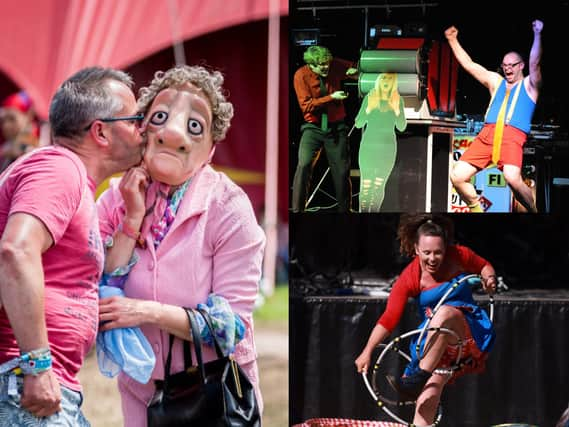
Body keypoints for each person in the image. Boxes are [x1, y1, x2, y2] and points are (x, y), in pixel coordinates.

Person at [95, 65, 265, 426]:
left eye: (193, 125)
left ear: (210, 148)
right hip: (143, 392)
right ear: (142, 128)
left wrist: (146, 312)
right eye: (160, 117)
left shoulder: (227, 207)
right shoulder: (115, 198)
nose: (172, 134)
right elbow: (96, 282)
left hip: (214, 397)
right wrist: (131, 221)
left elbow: (229, 328)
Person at [0, 67, 144, 426]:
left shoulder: (71, 179)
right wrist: (36, 363)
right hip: (23, 382)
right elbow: (16, 250)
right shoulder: (60, 169)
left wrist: (132, 220)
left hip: (33, 384)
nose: (144, 129)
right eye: (135, 119)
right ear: (101, 131)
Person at [355, 214, 496, 426]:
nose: (432, 259)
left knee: (446, 313)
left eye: (438, 252)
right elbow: (389, 318)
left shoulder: (459, 255)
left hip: (467, 333)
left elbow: (484, 266)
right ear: (416, 249)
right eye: (427, 252)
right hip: (438, 346)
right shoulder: (409, 278)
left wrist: (490, 279)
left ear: (446, 249)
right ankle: (419, 384)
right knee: (425, 400)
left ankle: (418, 376)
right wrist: (367, 351)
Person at [445, 20, 543, 213]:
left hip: (511, 136)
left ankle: (533, 210)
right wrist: (452, 40)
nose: (507, 69)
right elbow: (469, 65)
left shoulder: (530, 86)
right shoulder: (495, 81)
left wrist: (538, 35)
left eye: (512, 65)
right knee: (457, 176)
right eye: (505, 65)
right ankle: (476, 209)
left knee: (512, 178)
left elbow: (535, 62)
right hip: (486, 136)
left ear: (521, 65)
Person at [292, 45, 358, 212]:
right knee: (304, 164)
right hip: (313, 127)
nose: (326, 67)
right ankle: (298, 210)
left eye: (327, 63)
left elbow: (356, 68)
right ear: (311, 65)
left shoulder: (334, 64)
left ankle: (345, 211)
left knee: (341, 171)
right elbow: (306, 106)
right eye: (321, 65)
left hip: (336, 126)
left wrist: (353, 72)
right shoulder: (301, 75)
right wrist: (331, 98)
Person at [354, 73, 407, 212]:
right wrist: (369, 109)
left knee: (378, 186)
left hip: (387, 148)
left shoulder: (397, 99)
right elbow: (358, 124)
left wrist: (396, 110)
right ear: (379, 80)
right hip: (369, 146)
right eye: (384, 78)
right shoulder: (370, 97)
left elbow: (401, 127)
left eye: (390, 79)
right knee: (366, 186)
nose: (386, 81)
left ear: (393, 83)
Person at [0, 91, 39, 173]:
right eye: (2, 121)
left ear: (29, 115)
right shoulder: (9, 143)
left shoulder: (34, 138)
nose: (6, 125)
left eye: (12, 119)